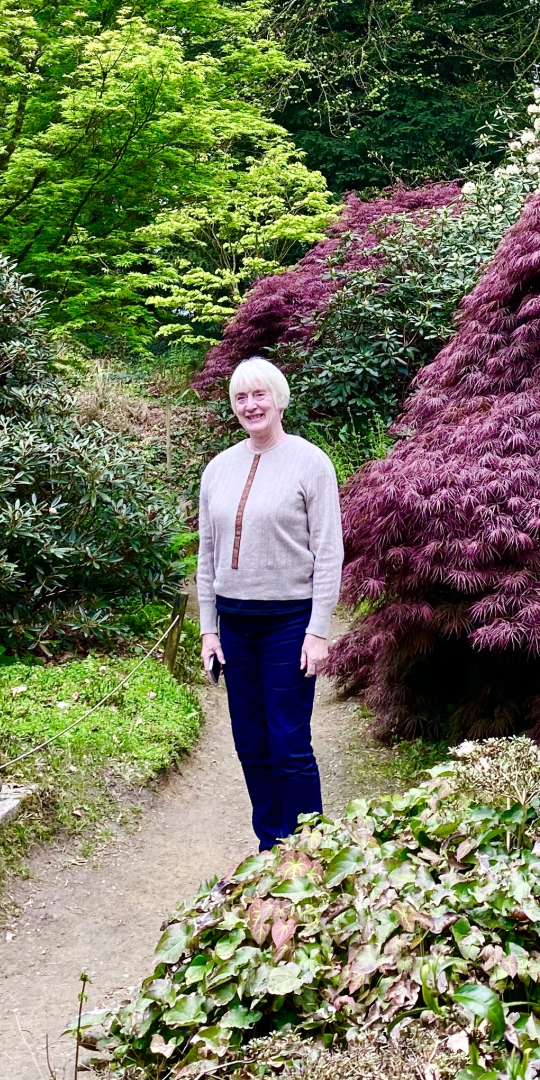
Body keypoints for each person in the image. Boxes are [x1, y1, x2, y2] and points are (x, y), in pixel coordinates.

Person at [197, 355, 343, 851]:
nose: (250, 404)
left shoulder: (310, 462)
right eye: (241, 396)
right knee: (251, 743)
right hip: (234, 626)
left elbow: (329, 552)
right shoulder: (218, 468)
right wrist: (208, 629)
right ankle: (269, 846)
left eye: (259, 395)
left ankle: (308, 850)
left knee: (288, 742)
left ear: (278, 400)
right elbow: (207, 555)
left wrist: (318, 631)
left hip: (288, 623)